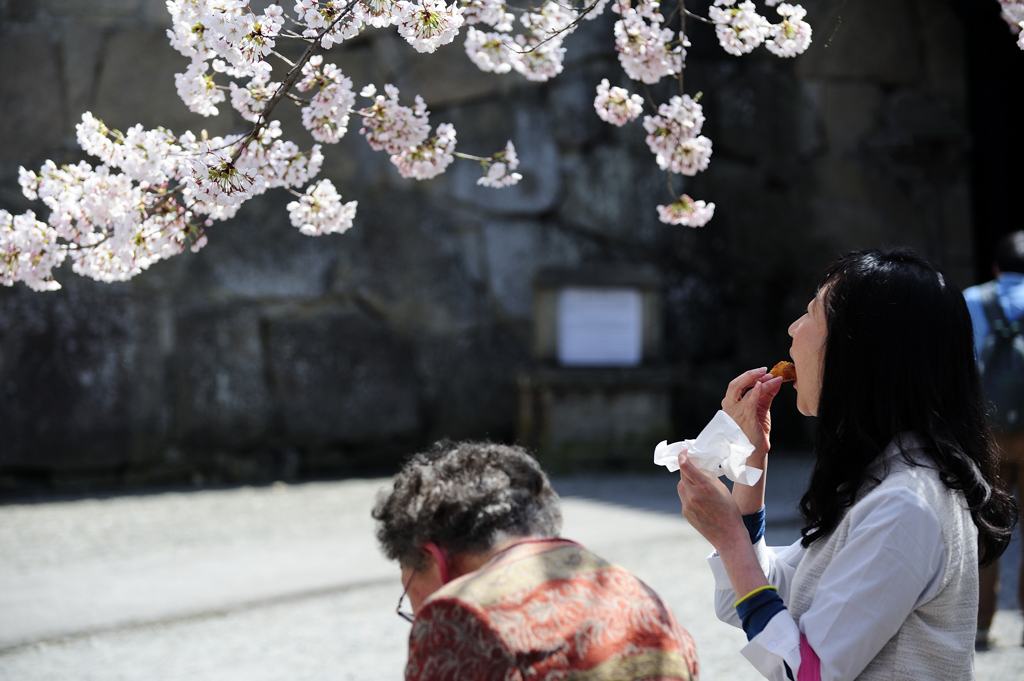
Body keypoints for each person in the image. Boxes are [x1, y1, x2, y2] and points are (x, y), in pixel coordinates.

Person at [675, 248, 1017, 680]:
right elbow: (761, 598)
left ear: (860, 350)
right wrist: (751, 463)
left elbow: (804, 671)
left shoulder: (906, 504)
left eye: (813, 314)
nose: (793, 329)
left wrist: (728, 538)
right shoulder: (886, 475)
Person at [372, 440, 700, 681]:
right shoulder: (641, 596)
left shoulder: (459, 615)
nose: (418, 614)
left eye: (410, 591)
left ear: (432, 556)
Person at [963, 230, 1024, 648]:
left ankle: (981, 626)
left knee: (987, 525)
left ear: (997, 268)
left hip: (988, 432)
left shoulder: (970, 300)